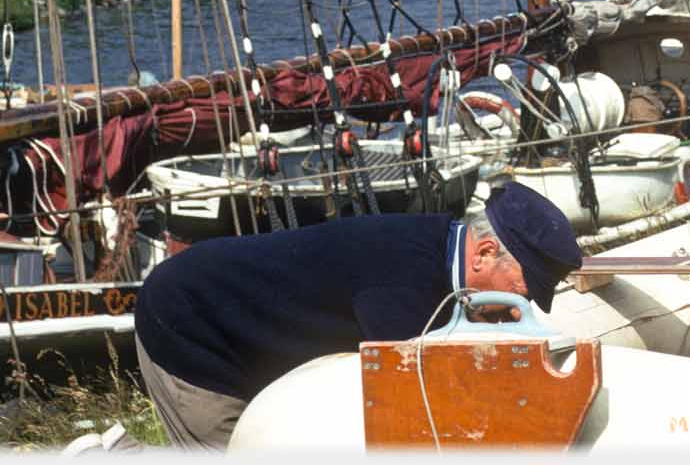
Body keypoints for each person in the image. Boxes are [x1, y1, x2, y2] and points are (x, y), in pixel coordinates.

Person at [132, 181, 583, 451]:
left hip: (248, 325)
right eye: (521, 291)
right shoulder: (400, 290)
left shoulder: (438, 247)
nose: (514, 307)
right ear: (484, 253)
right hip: (191, 323)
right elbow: (404, 413)